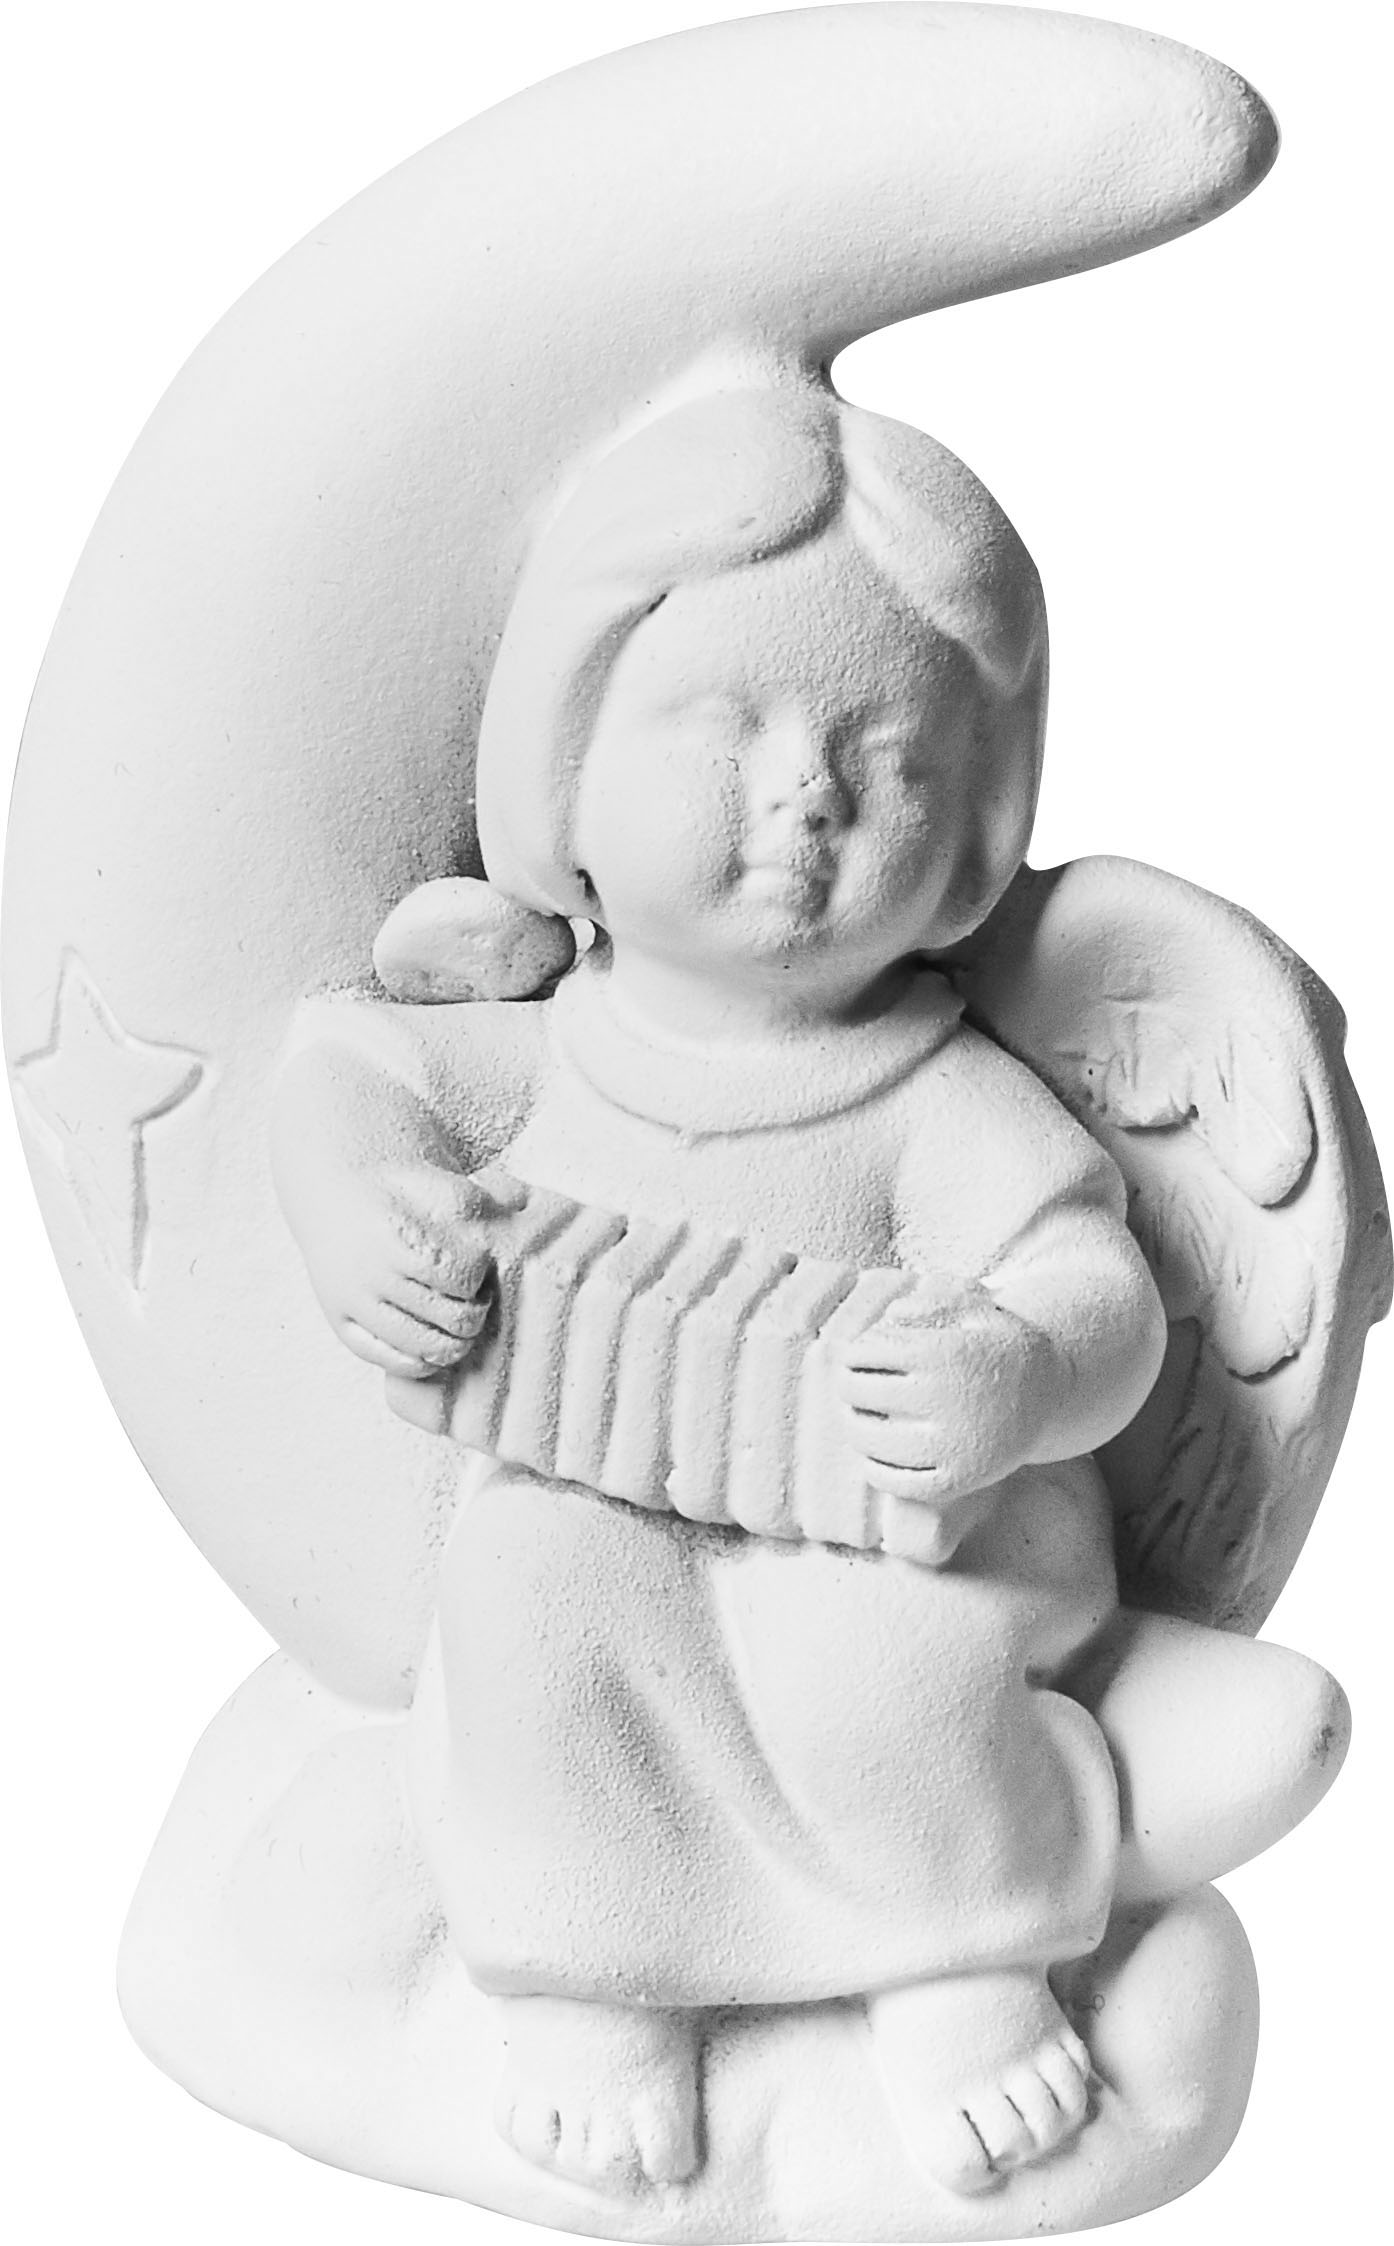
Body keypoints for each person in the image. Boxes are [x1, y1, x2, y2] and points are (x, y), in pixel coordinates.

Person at [273, 387, 1345, 2201]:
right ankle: (595, 1971)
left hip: (909, 1524)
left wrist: (1012, 1372)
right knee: (525, 1586)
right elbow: (343, 1079)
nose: (808, 793)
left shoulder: (933, 1095)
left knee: (892, 1660)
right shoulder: (546, 1051)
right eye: (723, 727)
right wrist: (359, 1214)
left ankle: (958, 1962)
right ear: (564, 771)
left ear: (977, 831)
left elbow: (1091, 1283)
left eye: (886, 746)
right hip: (604, 1507)